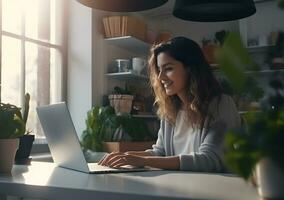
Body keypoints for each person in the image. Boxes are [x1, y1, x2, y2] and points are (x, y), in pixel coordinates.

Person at [98, 36, 241, 172]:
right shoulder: (171, 110)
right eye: (159, 70)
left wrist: (143, 161)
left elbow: (209, 159)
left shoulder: (221, 104)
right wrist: (125, 156)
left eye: (168, 68)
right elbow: (160, 152)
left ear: (191, 69)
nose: (160, 77)